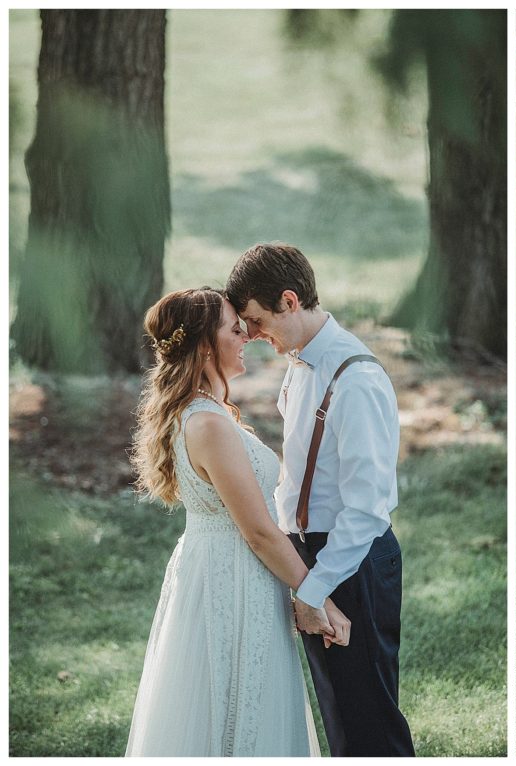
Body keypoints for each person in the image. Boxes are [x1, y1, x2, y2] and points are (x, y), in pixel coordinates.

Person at [126, 287, 349, 756]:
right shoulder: (206, 423)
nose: (246, 335)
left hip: (222, 569)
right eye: (234, 329)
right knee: (232, 708)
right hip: (232, 579)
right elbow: (259, 531)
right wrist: (316, 594)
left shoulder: (206, 413)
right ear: (206, 346)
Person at [226, 243, 415, 757]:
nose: (256, 336)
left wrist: (316, 588)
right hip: (312, 557)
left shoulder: (355, 379)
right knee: (340, 717)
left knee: (369, 720)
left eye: (258, 321)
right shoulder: (300, 365)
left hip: (350, 563)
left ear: (290, 300)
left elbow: (365, 510)